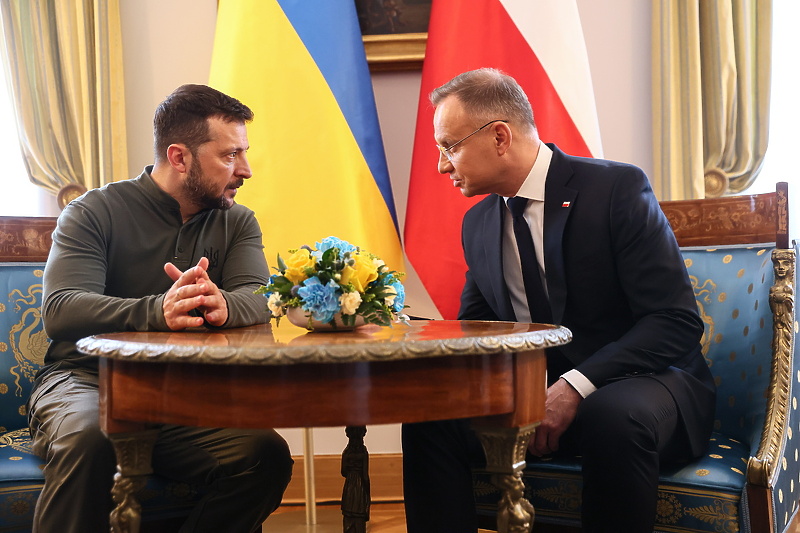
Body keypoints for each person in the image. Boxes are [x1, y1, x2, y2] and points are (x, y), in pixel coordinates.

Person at [401, 68, 716, 532]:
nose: (441, 165)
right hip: (535, 392)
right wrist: (408, 331)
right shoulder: (478, 224)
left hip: (645, 382)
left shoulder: (615, 190)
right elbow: (477, 332)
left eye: (449, 146)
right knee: (428, 417)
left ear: (500, 137)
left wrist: (572, 387)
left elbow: (674, 321)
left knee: (611, 416)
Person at [28, 84, 293, 533]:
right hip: (87, 381)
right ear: (179, 157)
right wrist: (159, 310)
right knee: (93, 439)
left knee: (262, 456)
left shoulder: (238, 220)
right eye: (229, 156)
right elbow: (62, 309)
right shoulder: (93, 211)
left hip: (181, 396)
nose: (245, 169)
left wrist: (222, 303)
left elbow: (259, 298)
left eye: (243, 153)